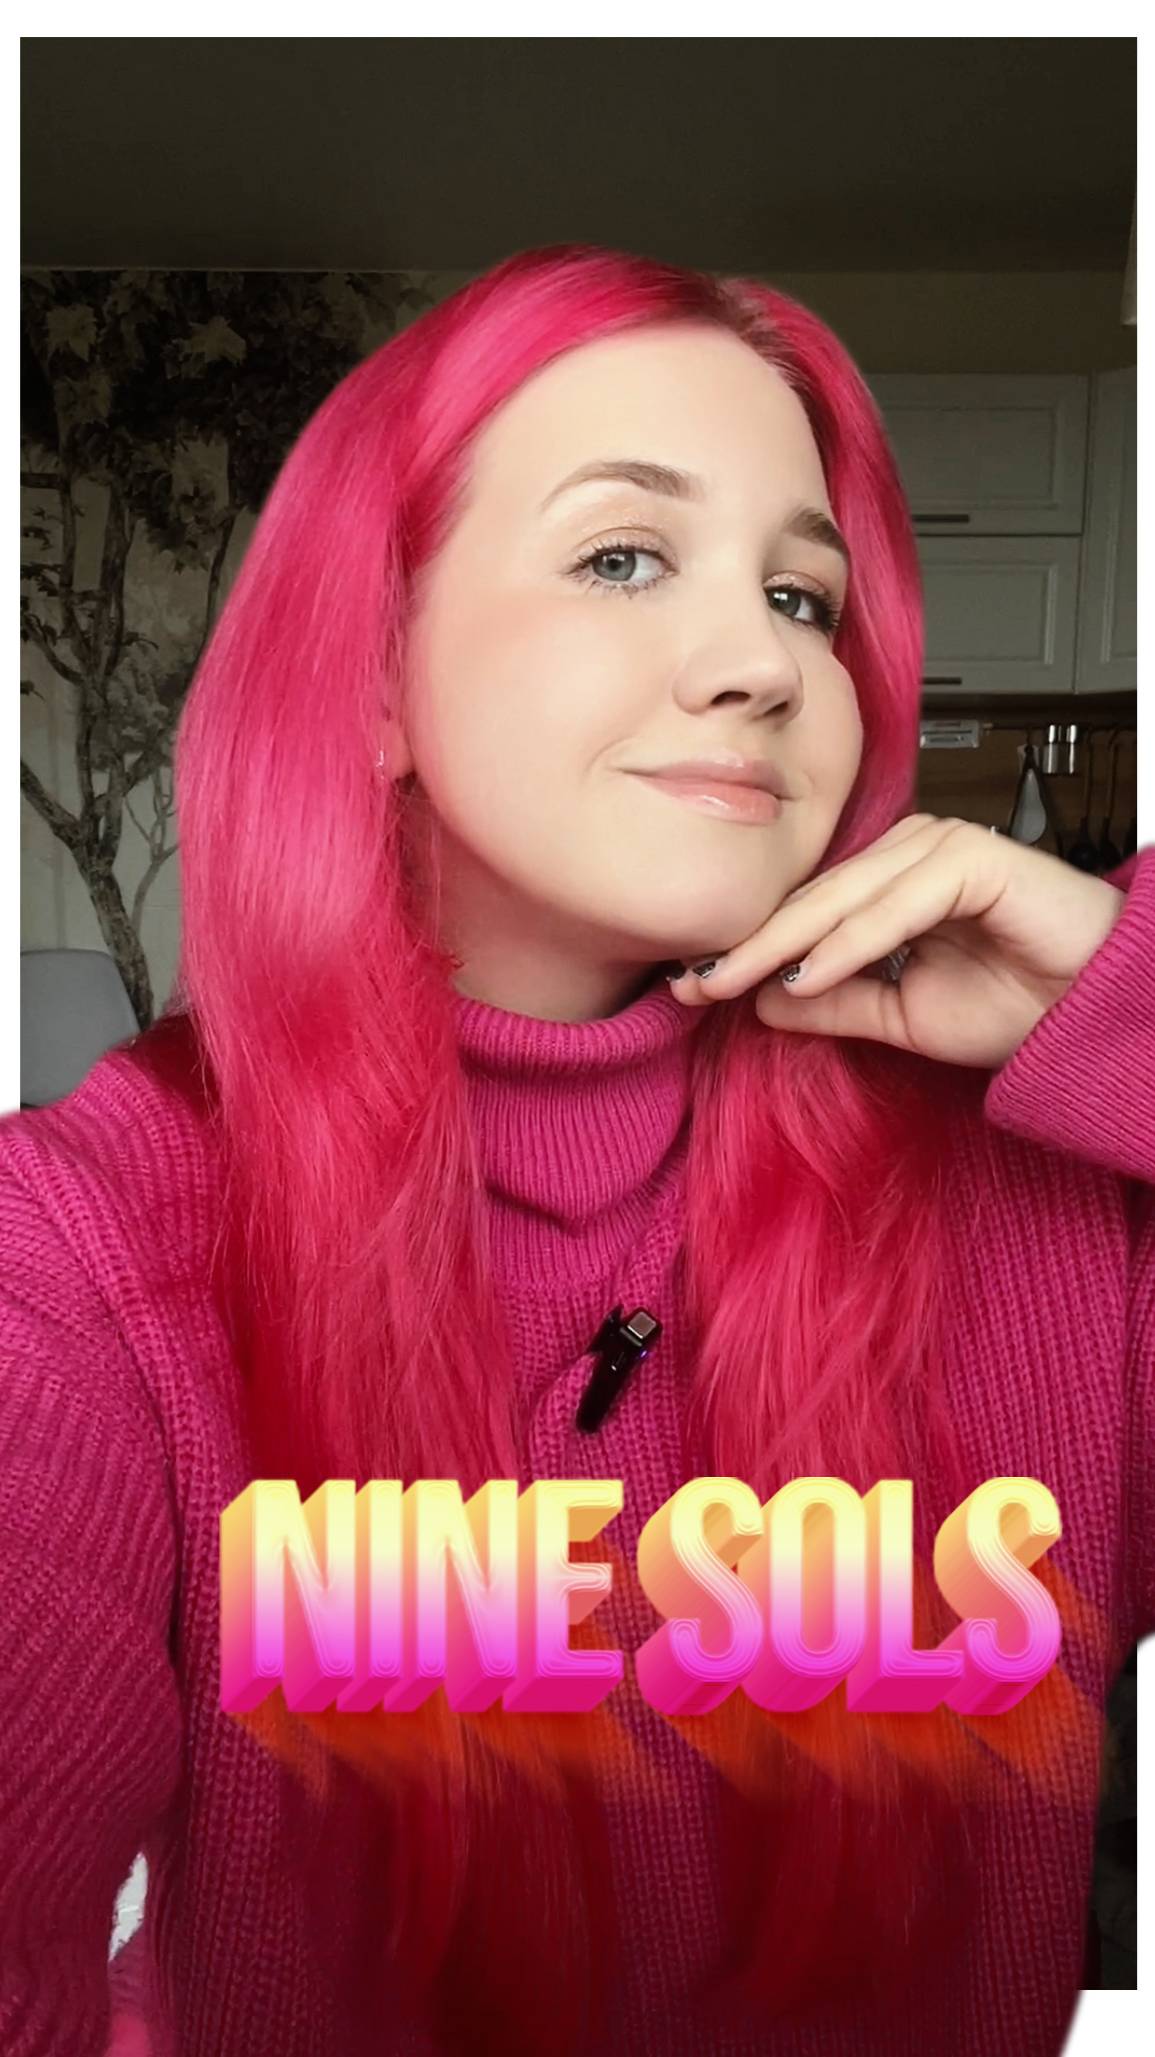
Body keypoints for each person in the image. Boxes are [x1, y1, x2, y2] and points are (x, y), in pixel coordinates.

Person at [0, 242, 1150, 2057]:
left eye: (804, 596)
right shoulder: (84, 1244)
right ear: (373, 676)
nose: (762, 663)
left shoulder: (1063, 1218)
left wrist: (1136, 1008)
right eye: (624, 556)